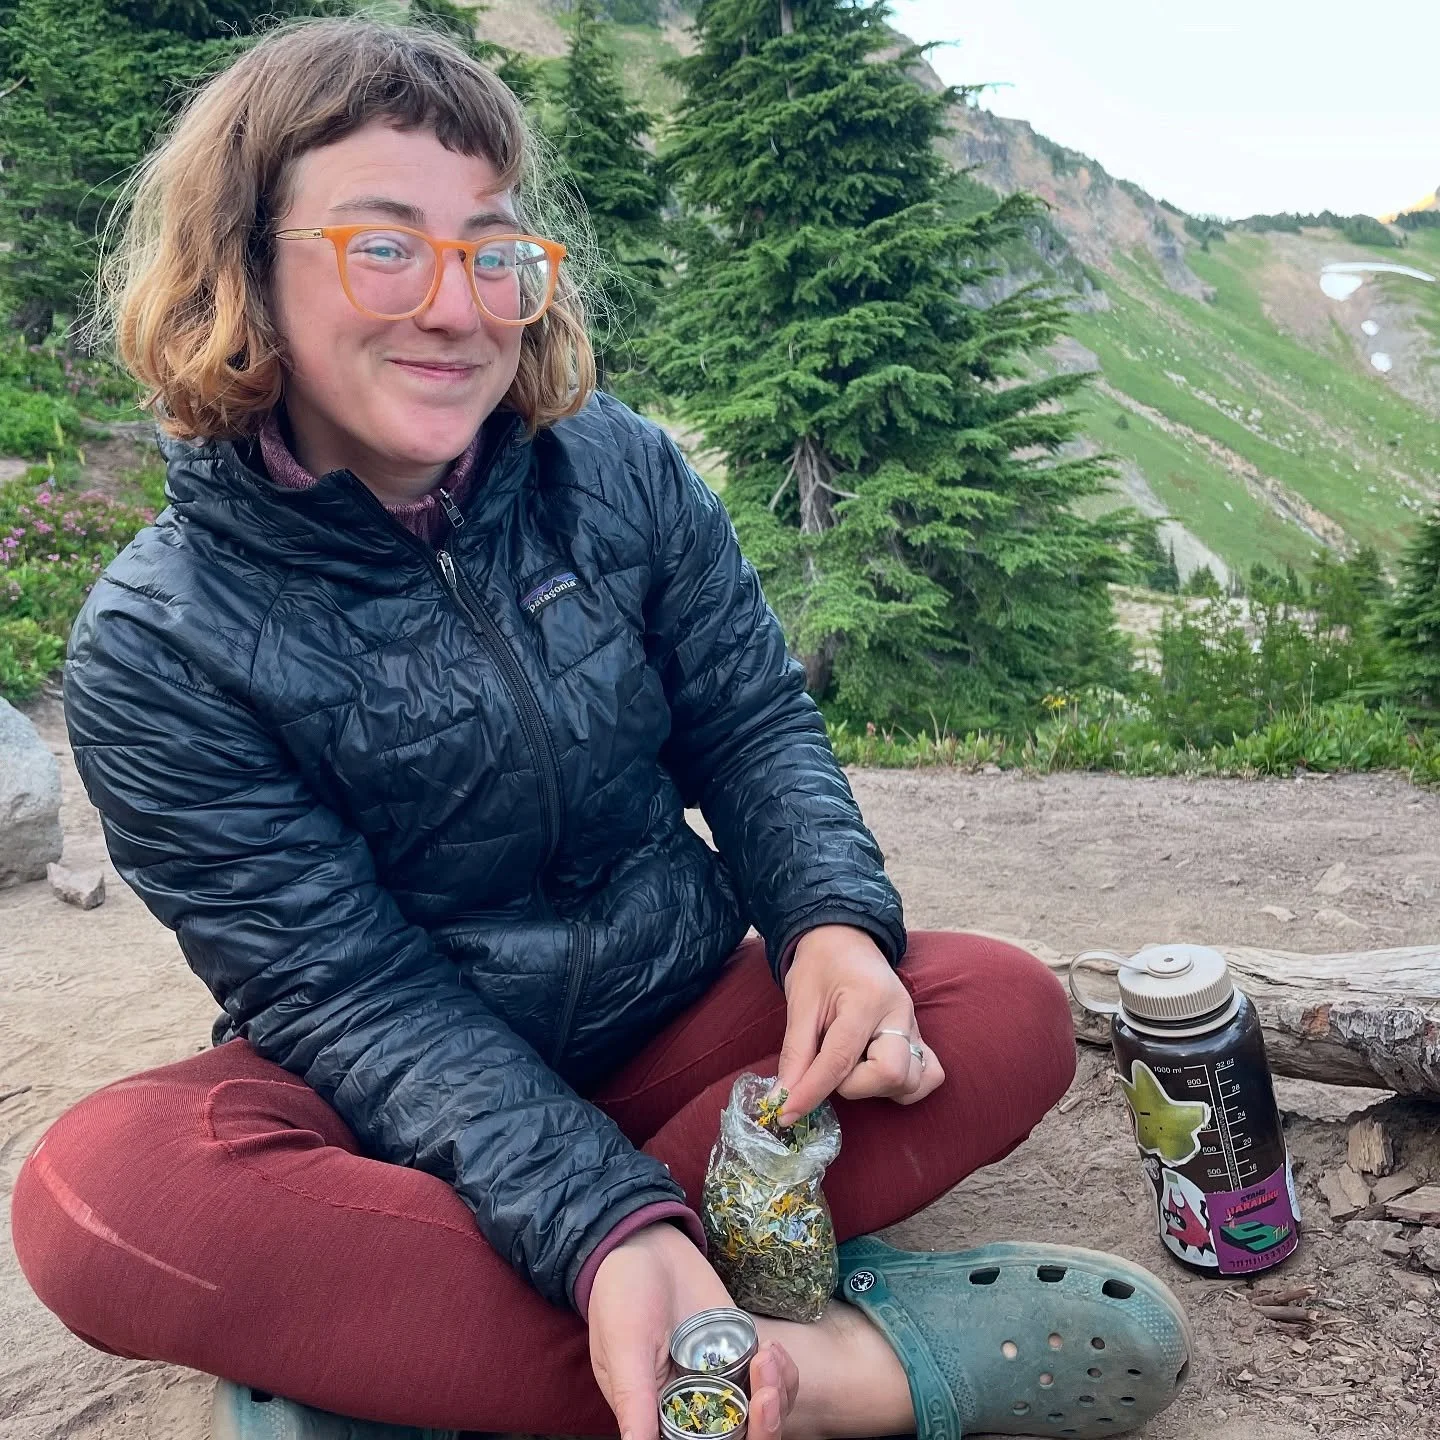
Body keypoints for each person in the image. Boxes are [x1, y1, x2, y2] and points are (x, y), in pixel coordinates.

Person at [10, 17, 1193, 1440]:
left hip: (670, 1020)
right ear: (244, 269)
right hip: (399, 1101)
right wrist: (603, 1222)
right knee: (97, 1197)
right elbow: (347, 995)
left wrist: (827, 925)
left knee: (994, 1006)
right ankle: (831, 1369)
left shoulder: (614, 467)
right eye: (382, 247)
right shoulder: (156, 640)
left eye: (493, 251)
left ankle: (437, 1347)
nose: (458, 309)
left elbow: (751, 724)